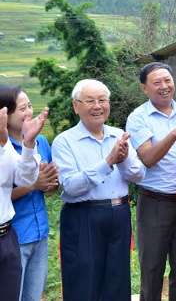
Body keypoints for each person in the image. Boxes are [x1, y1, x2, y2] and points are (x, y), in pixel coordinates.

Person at [53, 79, 145, 301]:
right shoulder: (65, 141)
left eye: (102, 100)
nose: (97, 106)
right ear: (76, 106)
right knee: (83, 280)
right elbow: (72, 186)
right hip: (83, 216)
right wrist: (108, 162)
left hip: (119, 214)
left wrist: (121, 160)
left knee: (117, 280)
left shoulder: (118, 135)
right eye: (90, 101)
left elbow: (139, 174)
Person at [125, 62, 176, 301]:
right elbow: (148, 158)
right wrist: (174, 134)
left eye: (167, 80)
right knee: (152, 268)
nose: (164, 86)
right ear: (144, 88)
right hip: (155, 203)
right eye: (156, 83)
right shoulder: (138, 118)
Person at [1, 86, 58, 301]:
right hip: (14, 232)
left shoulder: (40, 141)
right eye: (22, 108)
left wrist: (48, 184)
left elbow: (51, 187)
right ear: (4, 114)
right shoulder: (5, 147)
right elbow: (6, 191)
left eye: (30, 105)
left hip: (40, 231)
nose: (29, 112)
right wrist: (34, 184)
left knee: (33, 296)